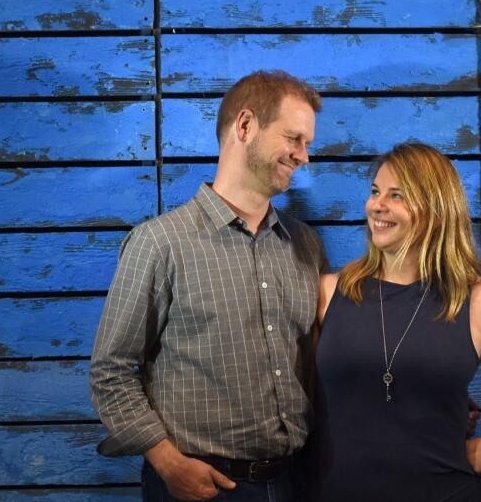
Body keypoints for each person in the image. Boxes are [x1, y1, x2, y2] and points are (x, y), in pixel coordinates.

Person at [90, 70, 329, 501]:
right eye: (294, 138)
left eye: (307, 144)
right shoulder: (159, 243)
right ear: (245, 126)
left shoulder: (306, 246)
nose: (303, 156)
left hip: (296, 480)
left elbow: (327, 356)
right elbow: (111, 372)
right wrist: (167, 462)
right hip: (202, 487)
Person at [310, 142, 481, 501]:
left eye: (397, 196)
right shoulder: (331, 291)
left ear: (435, 210)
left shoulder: (477, 300)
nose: (376, 205)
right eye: (375, 191)